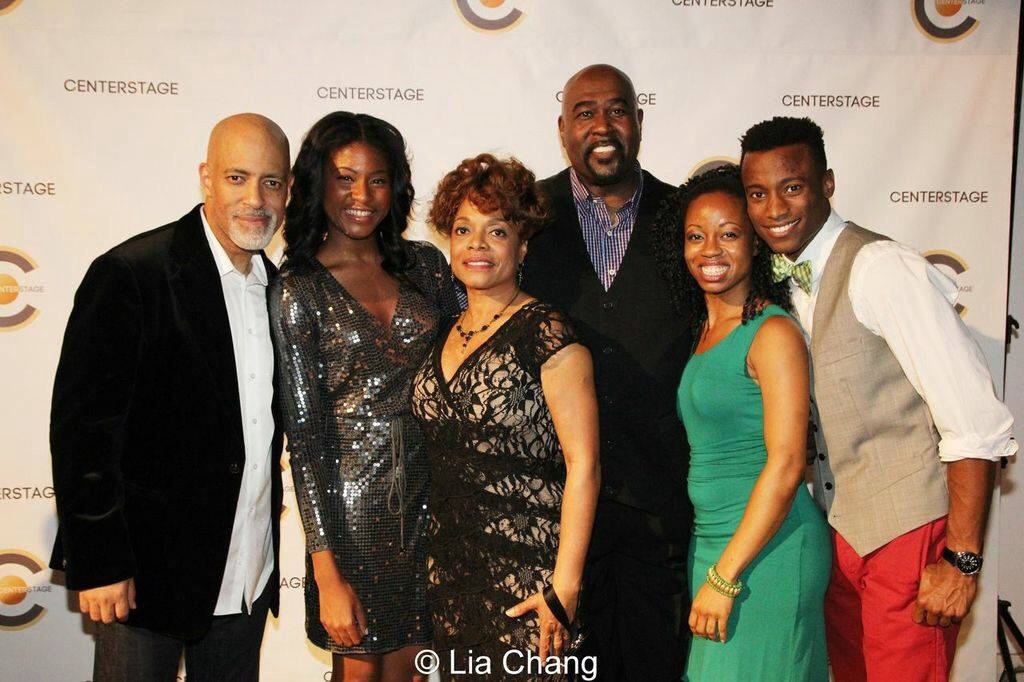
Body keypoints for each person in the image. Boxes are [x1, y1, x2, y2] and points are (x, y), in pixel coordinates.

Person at [739, 116, 1018, 680]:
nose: (774, 209)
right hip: (837, 539)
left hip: (908, 537)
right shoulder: (776, 282)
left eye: (791, 188)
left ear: (828, 184)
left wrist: (961, 562)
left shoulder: (880, 268)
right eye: (757, 194)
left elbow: (975, 421)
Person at [49, 113, 290, 681]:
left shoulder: (281, 289)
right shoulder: (133, 273)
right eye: (237, 177)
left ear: (289, 192)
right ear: (206, 178)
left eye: (271, 181)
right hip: (143, 581)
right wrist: (101, 561)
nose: (254, 198)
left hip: (245, 577)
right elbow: (84, 430)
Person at [270, 112, 457, 681]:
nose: (362, 195)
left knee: (416, 671)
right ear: (317, 184)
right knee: (362, 675)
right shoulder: (296, 288)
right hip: (350, 519)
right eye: (345, 178)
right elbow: (305, 440)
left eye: (377, 179)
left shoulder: (426, 265)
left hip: (434, 506)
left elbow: (466, 368)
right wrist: (326, 575)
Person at [520, 63, 693, 680]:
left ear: (639, 121)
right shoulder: (524, 217)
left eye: (616, 109)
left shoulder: (688, 219)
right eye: (585, 112)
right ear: (562, 128)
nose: (602, 125)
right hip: (552, 511)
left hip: (663, 507)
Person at [411, 153, 600, 678]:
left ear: (522, 246)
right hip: (450, 576)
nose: (476, 244)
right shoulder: (441, 331)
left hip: (529, 582)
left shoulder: (546, 332)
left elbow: (583, 464)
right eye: (463, 229)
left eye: (496, 231)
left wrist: (564, 586)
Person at [652, 164, 830, 681]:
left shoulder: (772, 333)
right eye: (696, 236)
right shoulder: (706, 331)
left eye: (729, 234)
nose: (710, 249)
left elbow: (789, 463)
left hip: (767, 553)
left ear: (755, 243)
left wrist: (727, 577)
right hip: (714, 545)